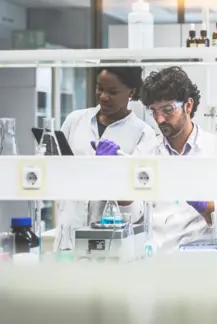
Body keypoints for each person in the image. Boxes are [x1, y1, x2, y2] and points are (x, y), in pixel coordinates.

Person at [123, 66, 217, 253]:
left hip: (202, 262)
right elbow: (133, 216)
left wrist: (206, 206)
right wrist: (116, 179)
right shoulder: (146, 153)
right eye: (154, 111)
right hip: (156, 262)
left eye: (167, 109)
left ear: (188, 106)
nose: (159, 119)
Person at [54, 66, 157, 250]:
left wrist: (116, 168)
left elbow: (136, 211)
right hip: (68, 236)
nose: (103, 96)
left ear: (130, 93)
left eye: (112, 92)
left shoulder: (143, 134)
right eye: (100, 88)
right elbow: (56, 177)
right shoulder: (75, 121)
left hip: (111, 242)